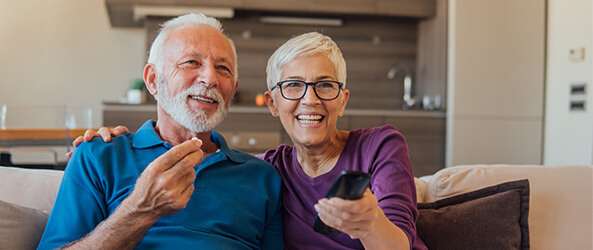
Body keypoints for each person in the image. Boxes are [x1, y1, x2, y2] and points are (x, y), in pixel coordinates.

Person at [76, 32, 426, 250]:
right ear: (272, 103)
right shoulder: (268, 169)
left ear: (342, 99)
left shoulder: (379, 145)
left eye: (325, 85)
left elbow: (400, 242)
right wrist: (112, 140)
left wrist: (368, 223)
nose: (310, 100)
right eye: (293, 86)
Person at [38, 13, 282, 250]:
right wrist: (140, 210)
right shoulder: (98, 155)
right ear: (153, 79)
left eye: (223, 69)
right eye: (191, 63)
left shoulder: (262, 176)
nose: (210, 78)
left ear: (232, 90)